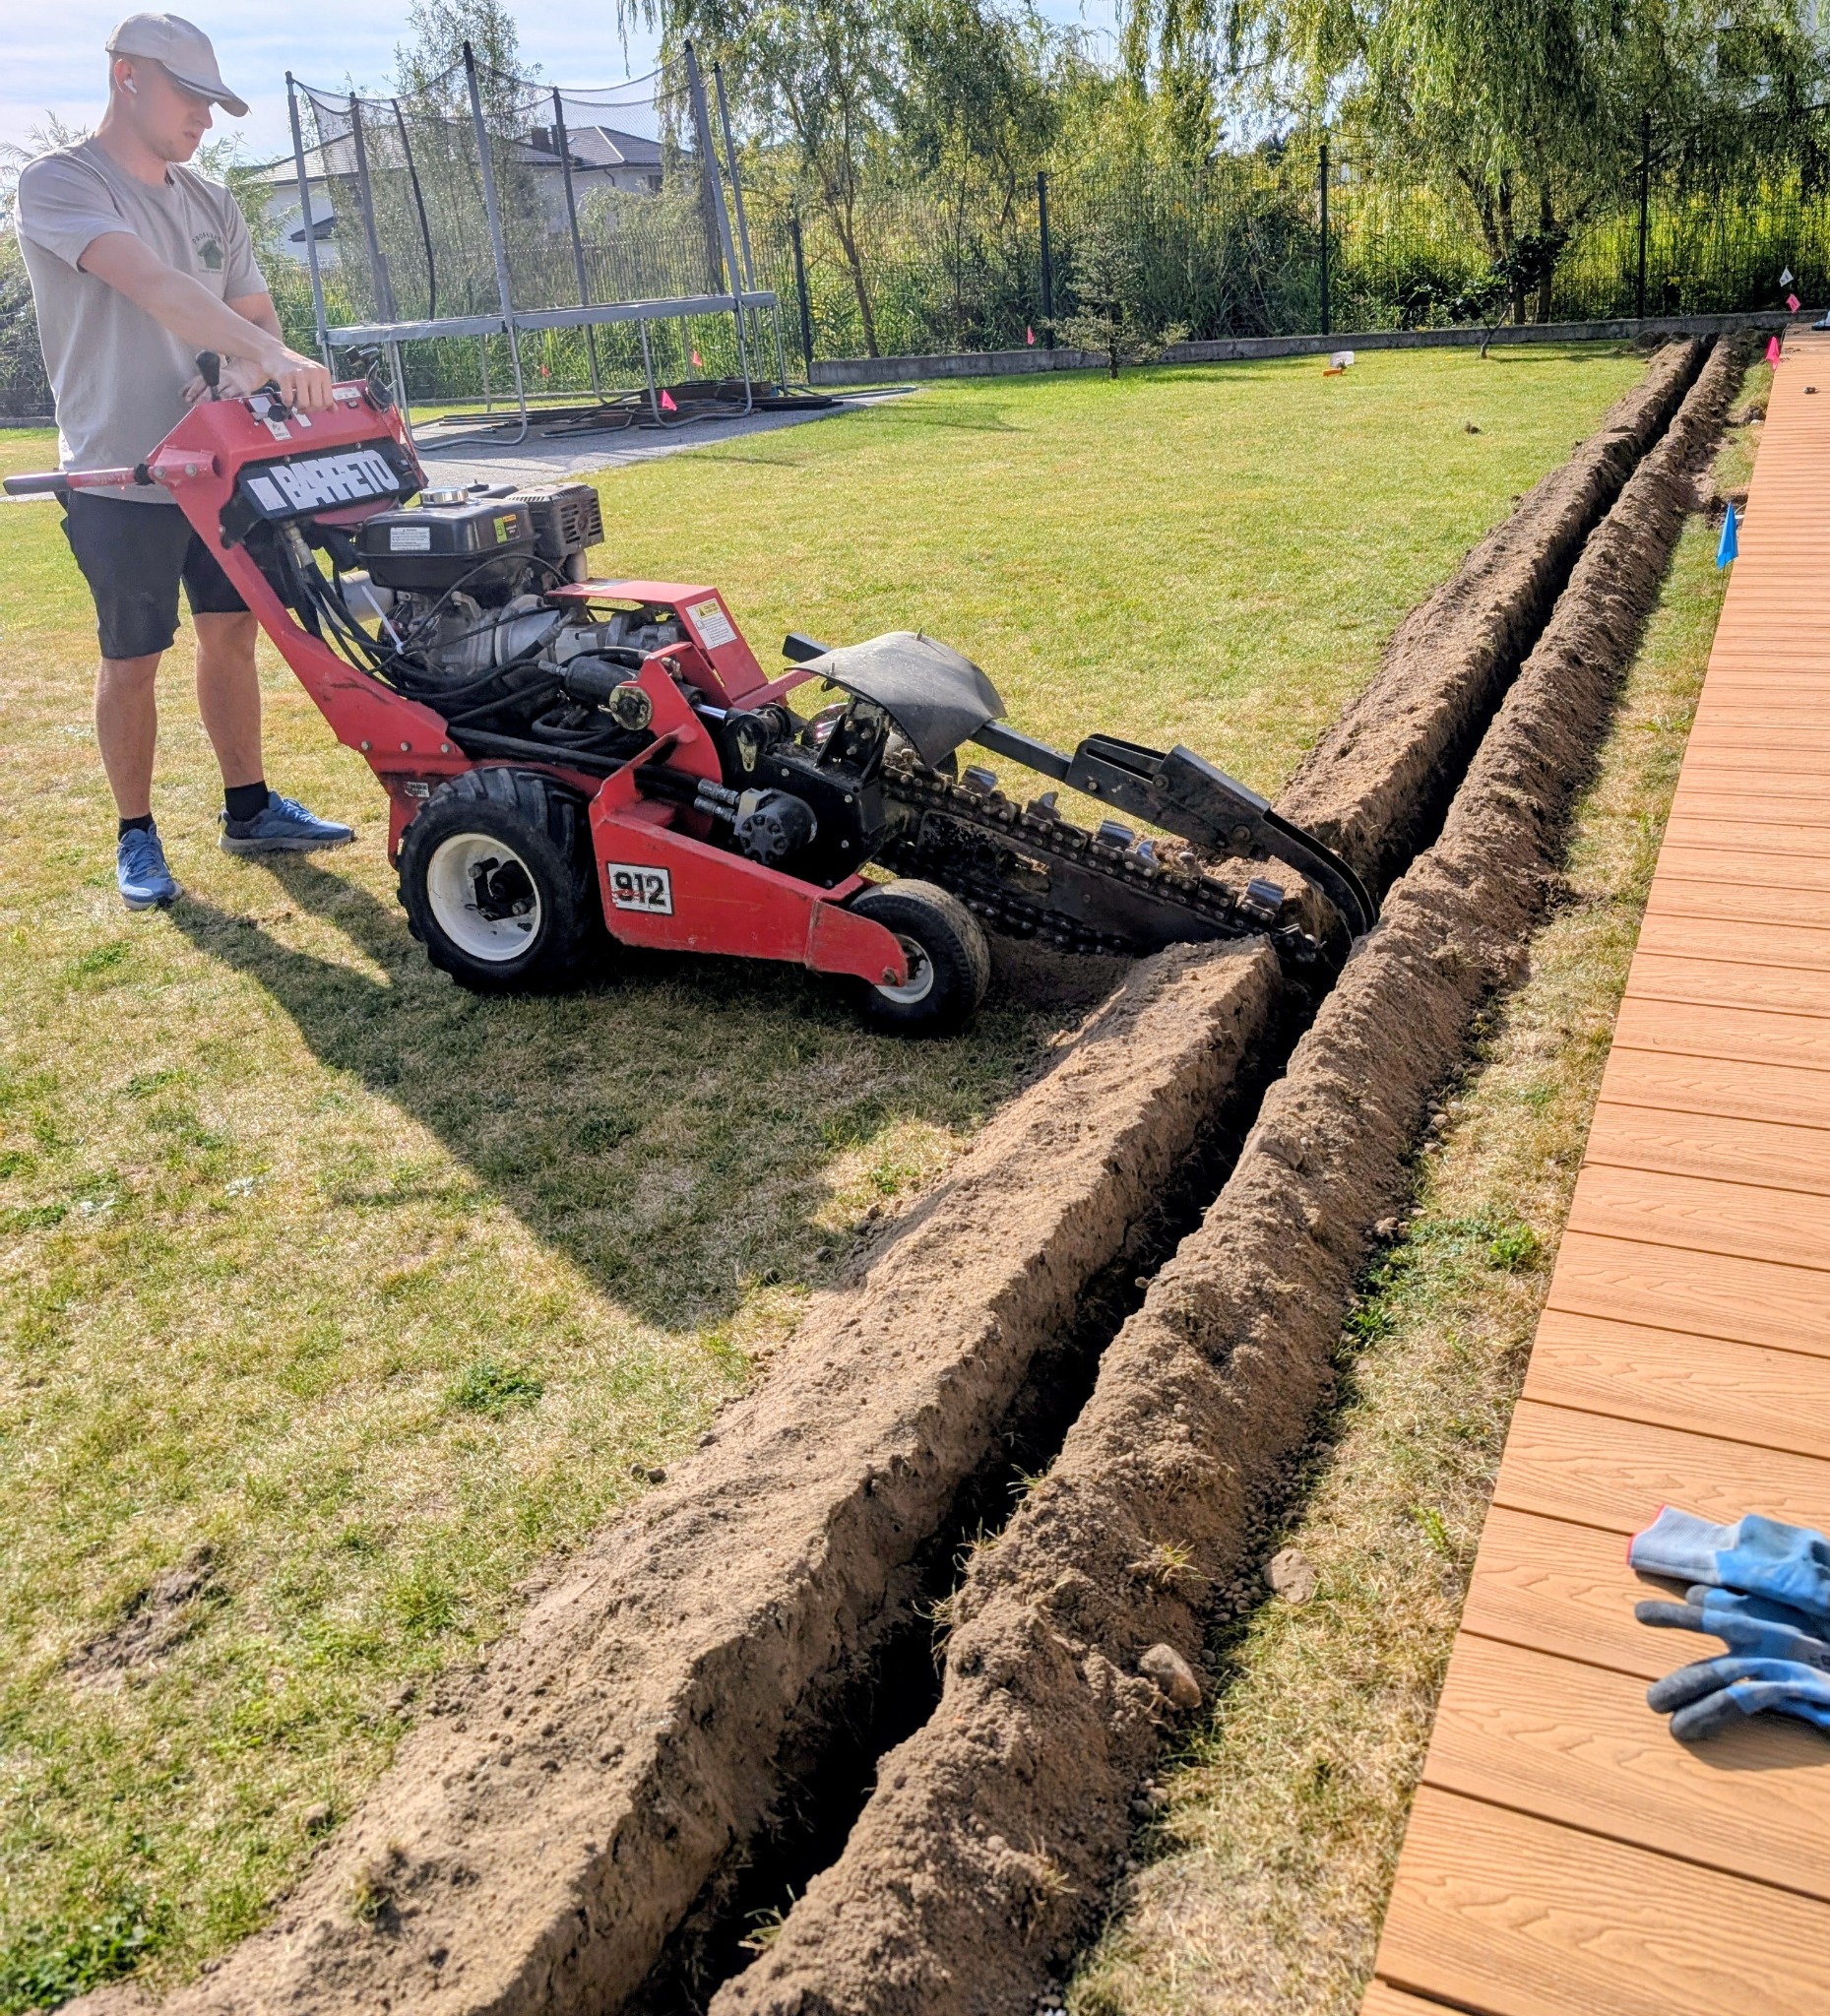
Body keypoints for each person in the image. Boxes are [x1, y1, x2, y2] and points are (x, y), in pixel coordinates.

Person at [17, 13, 355, 911]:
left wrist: (258, 365)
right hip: (120, 471)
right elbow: (153, 286)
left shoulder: (212, 202)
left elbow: (254, 312)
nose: (205, 118)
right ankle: (137, 835)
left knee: (232, 634)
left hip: (220, 470)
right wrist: (272, 359)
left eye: (212, 101)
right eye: (190, 96)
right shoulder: (58, 183)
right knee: (133, 657)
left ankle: (249, 809)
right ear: (127, 76)